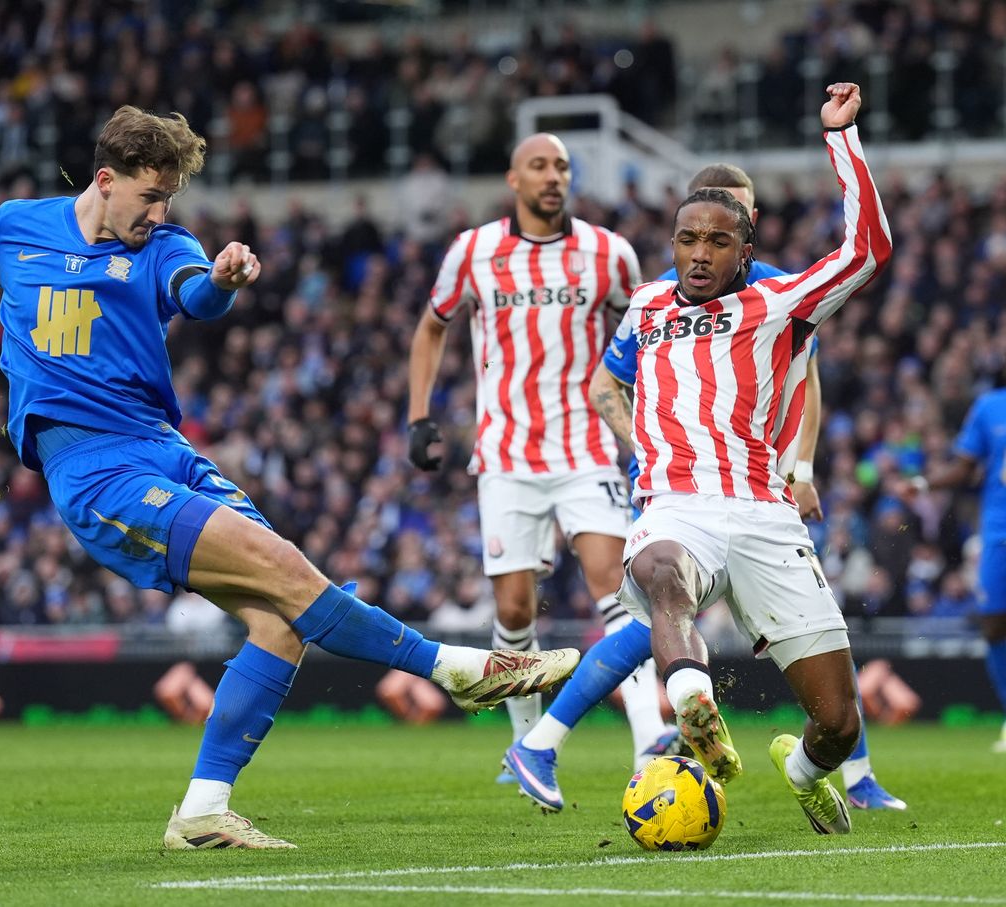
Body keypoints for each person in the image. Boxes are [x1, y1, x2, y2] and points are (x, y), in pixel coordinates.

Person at [0, 105, 581, 850]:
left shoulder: (166, 246)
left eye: (169, 199)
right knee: (284, 570)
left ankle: (202, 809)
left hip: (163, 450)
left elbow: (194, 292)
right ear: (106, 180)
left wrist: (223, 279)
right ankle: (456, 668)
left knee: (281, 618)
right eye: (149, 196)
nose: (160, 214)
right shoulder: (17, 227)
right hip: (94, 468)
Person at [513, 83, 891, 837]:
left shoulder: (780, 303)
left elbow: (868, 251)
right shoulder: (647, 306)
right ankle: (692, 702)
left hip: (764, 512)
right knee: (660, 572)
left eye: (718, 242)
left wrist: (841, 139)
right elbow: (604, 385)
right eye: (687, 239)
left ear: (746, 250)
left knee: (839, 723)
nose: (699, 254)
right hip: (677, 505)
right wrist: (644, 447)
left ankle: (804, 770)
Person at [407, 132, 671, 781]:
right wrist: (419, 415)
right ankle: (524, 746)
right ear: (514, 180)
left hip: (587, 446)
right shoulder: (474, 251)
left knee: (615, 585)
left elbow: (645, 332)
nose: (553, 176)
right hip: (506, 454)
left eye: (561, 166)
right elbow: (433, 324)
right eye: (539, 166)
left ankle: (650, 736)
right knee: (515, 611)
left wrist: (651, 415)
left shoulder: (609, 253)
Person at [914, 383, 1006, 753]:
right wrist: (924, 483)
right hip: (998, 529)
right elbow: (964, 467)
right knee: (994, 623)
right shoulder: (989, 405)